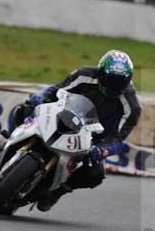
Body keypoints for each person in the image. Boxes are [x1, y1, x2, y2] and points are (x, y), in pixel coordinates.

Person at [13, 50, 141, 211]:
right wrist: (41, 98)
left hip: (92, 137)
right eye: (109, 81)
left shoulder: (132, 106)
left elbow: (118, 138)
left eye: (118, 84)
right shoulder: (84, 74)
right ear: (100, 72)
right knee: (22, 110)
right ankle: (10, 142)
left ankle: (58, 191)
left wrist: (102, 150)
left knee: (96, 174)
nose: (112, 88)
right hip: (63, 116)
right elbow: (57, 89)